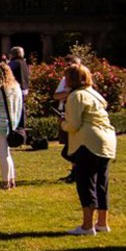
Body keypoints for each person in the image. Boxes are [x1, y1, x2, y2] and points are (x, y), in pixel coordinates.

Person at [60, 64, 116, 235]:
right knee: (101, 183)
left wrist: (62, 123)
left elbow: (74, 124)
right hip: (106, 141)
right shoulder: (94, 94)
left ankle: (87, 226)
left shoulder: (76, 96)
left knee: (86, 183)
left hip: (88, 142)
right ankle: (102, 222)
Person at [53, 55, 81, 183]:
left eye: (71, 65)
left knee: (72, 147)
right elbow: (56, 95)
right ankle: (75, 171)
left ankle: (79, 170)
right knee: (68, 144)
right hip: (64, 111)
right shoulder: (64, 80)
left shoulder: (83, 81)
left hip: (74, 113)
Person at [8, 46, 30, 128]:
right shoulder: (24, 63)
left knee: (15, 109)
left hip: (15, 89)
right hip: (24, 89)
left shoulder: (14, 63)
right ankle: (22, 127)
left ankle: (16, 127)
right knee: (21, 109)